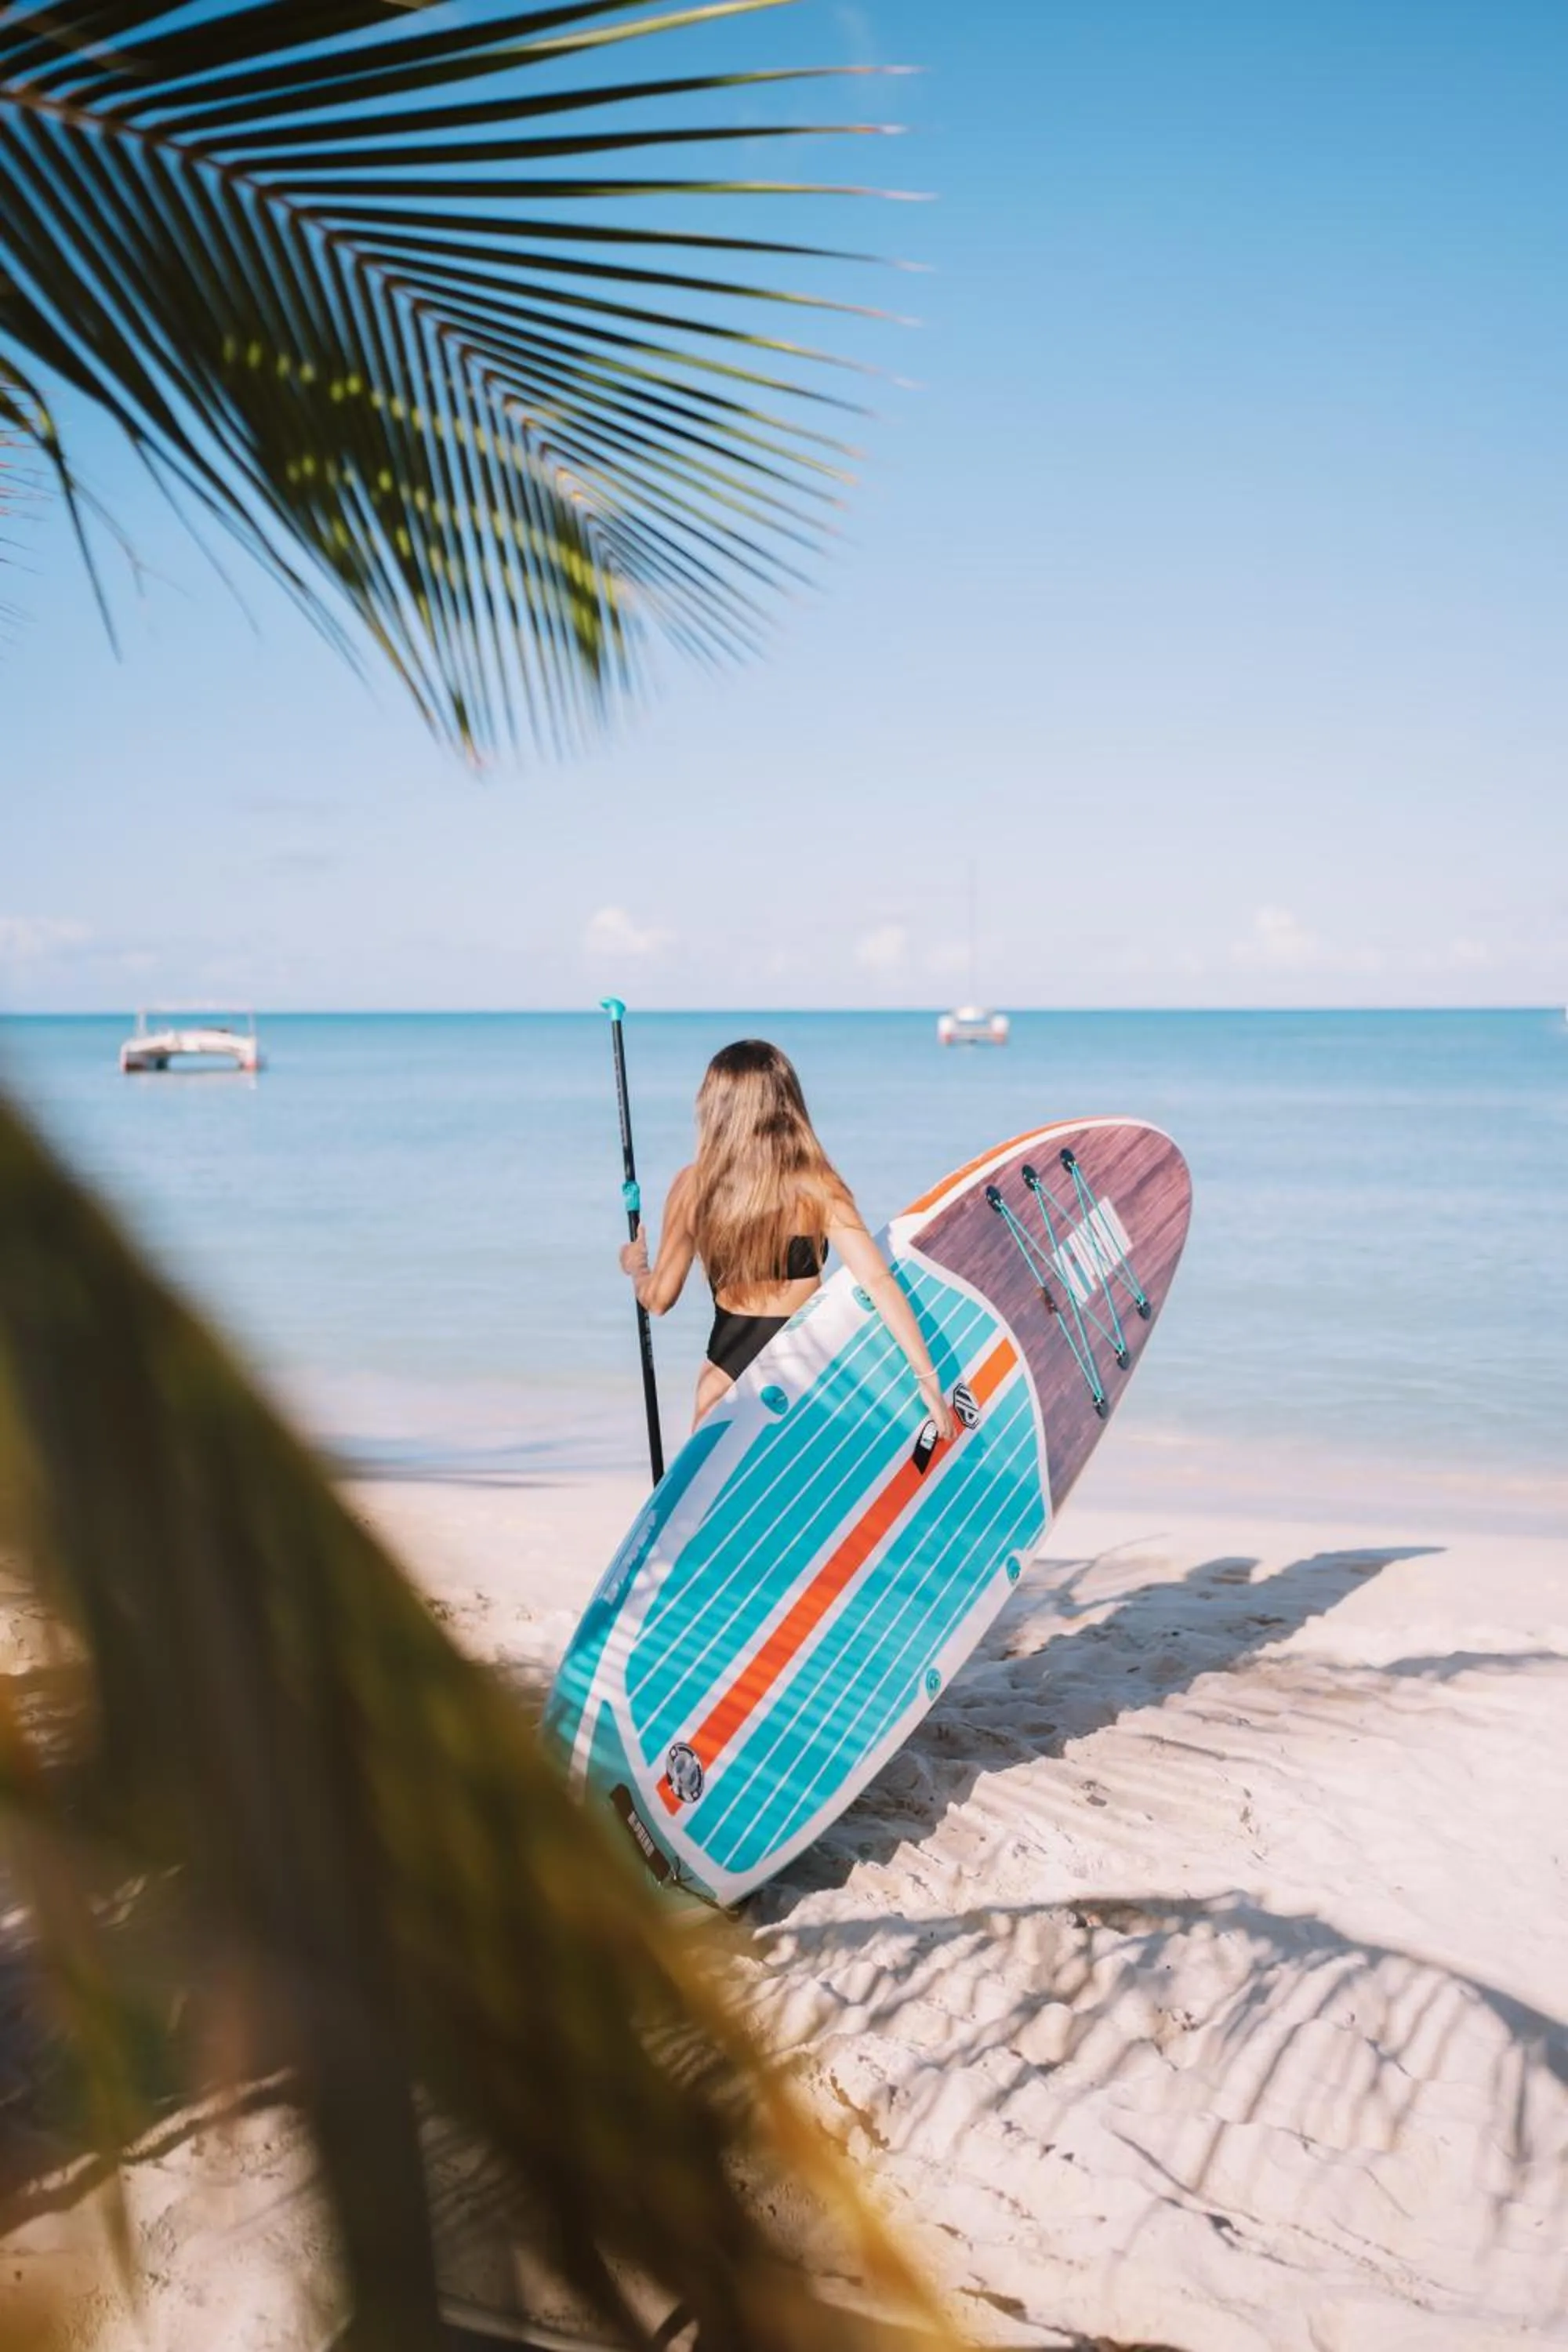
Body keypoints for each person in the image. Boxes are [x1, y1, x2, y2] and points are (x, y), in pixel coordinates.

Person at [619, 1039, 958, 1438]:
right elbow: (878, 1282)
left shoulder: (694, 1187)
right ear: (787, 1105)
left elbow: (659, 1299)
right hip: (809, 1370)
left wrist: (637, 1267)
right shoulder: (818, 1186)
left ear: (715, 1108)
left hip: (725, 1376)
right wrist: (928, 1378)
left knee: (717, 1496)